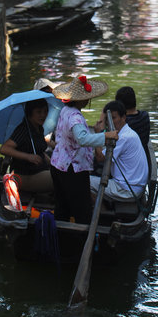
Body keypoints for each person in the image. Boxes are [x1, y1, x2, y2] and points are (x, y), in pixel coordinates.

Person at [50, 75, 118, 224]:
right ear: (81, 100)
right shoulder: (75, 117)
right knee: (82, 209)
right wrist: (106, 135)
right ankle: (82, 239)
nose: (88, 100)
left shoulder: (65, 111)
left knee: (62, 207)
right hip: (71, 169)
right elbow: (83, 139)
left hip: (57, 164)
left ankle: (60, 236)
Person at [92, 100, 148, 202]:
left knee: (84, 182)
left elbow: (100, 158)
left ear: (123, 118)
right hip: (132, 186)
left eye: (114, 118)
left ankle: (103, 210)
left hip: (127, 189)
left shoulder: (123, 137)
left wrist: (97, 134)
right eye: (108, 119)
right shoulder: (126, 133)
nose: (110, 122)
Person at [0, 98, 53, 193]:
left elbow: (40, 151)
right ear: (30, 114)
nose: (43, 115)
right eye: (39, 112)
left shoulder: (39, 128)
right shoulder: (23, 130)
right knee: (61, 178)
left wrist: (53, 164)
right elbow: (4, 148)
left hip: (39, 170)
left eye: (45, 111)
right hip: (24, 176)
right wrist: (28, 157)